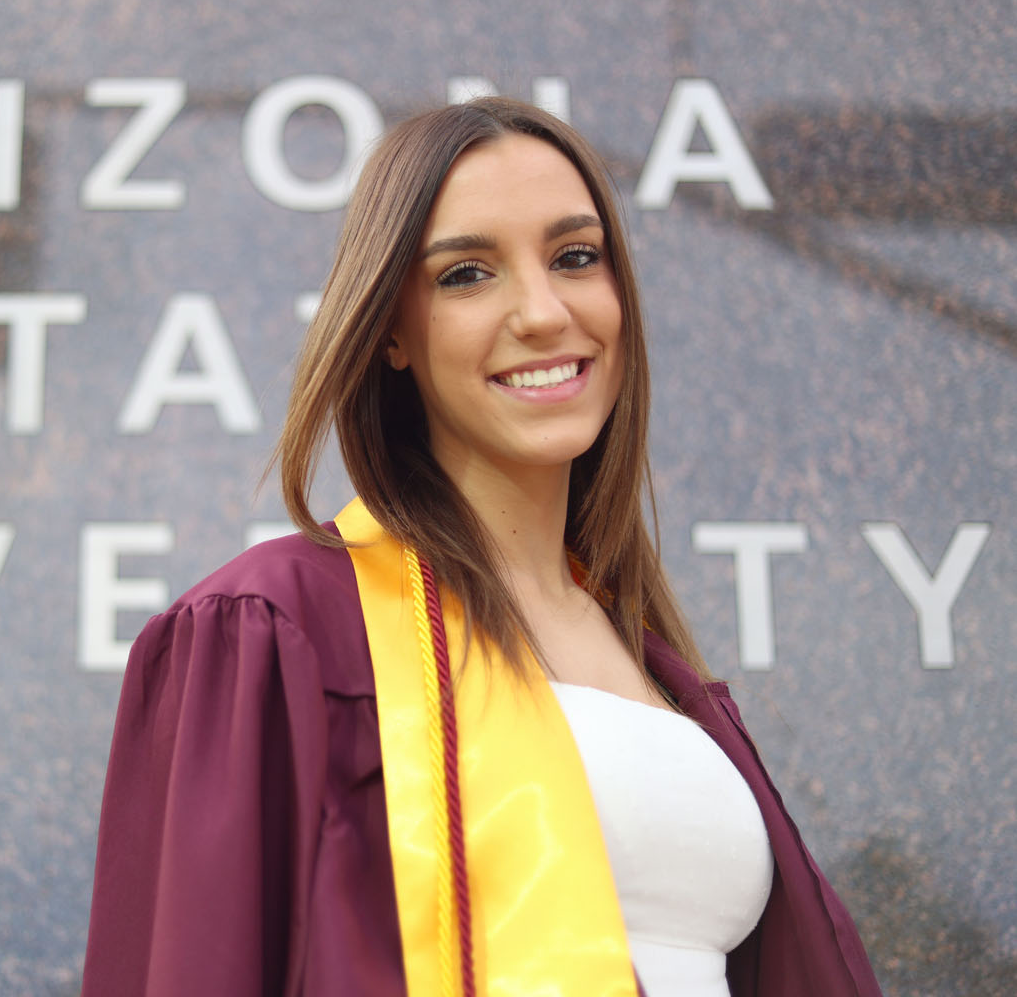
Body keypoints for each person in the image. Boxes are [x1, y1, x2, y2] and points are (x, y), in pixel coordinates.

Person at [82, 98, 881, 997]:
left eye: (576, 257)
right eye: (467, 274)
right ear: (388, 329)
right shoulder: (280, 632)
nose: (543, 313)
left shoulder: (653, 659)